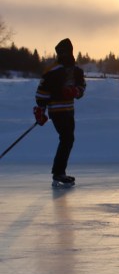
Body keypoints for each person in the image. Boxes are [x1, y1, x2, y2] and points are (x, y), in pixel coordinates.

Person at [33, 38, 86, 188]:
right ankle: (58, 172)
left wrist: (76, 91)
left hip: (69, 110)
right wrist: (40, 110)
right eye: (60, 52)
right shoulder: (51, 71)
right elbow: (41, 93)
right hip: (57, 110)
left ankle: (59, 172)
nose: (63, 54)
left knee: (68, 139)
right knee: (67, 138)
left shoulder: (77, 71)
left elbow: (82, 87)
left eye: (65, 52)